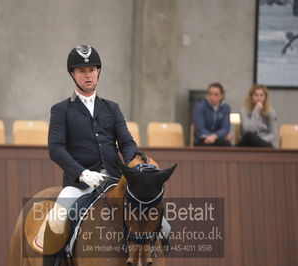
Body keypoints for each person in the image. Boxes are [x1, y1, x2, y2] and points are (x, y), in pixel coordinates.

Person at [37, 45, 171, 265]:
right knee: (57, 220)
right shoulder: (61, 110)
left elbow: (127, 142)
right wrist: (82, 173)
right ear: (73, 74)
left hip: (116, 180)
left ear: (98, 72)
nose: (88, 75)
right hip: (79, 184)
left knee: (163, 224)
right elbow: (56, 149)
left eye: (91, 70)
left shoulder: (111, 108)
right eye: (81, 71)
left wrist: (133, 166)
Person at [193, 82, 232, 146]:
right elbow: (199, 127)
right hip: (203, 139)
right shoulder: (199, 107)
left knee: (226, 144)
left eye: (216, 95)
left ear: (221, 96)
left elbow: (225, 128)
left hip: (218, 138)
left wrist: (215, 136)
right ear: (207, 95)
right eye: (210, 94)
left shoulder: (225, 108)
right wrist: (210, 137)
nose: (212, 97)